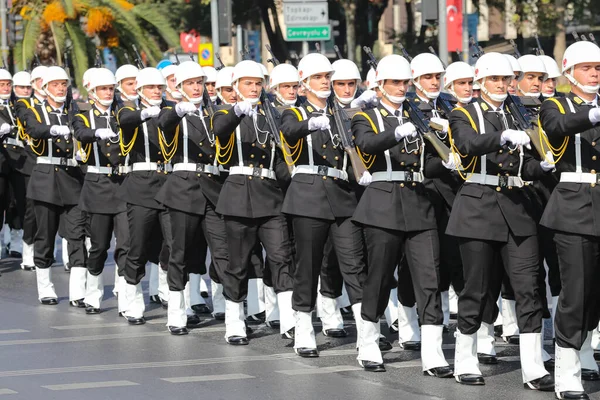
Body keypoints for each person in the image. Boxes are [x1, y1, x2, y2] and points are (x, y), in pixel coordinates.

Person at [448, 52, 553, 390]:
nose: (502, 85)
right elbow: (466, 143)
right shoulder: (463, 112)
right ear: (481, 82)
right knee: (476, 288)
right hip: (478, 207)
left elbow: (525, 165)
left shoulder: (518, 112)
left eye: (506, 80)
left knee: (529, 289)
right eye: (495, 79)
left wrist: (546, 166)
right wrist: (501, 138)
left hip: (517, 207)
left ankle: (534, 367)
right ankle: (465, 360)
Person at [351, 54, 453, 376]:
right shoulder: (365, 116)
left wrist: (448, 159)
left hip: (419, 205)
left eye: (405, 82)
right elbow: (366, 145)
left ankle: (433, 353)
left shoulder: (418, 114)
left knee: (430, 278)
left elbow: (424, 163)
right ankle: (368, 341)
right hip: (382, 204)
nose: (400, 87)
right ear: (380, 85)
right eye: (394, 82)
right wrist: (396, 133)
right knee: (380, 278)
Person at [279, 53, 367, 358]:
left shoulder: (344, 113)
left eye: (327, 76)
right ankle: (304, 327)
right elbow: (289, 131)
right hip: (308, 195)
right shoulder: (294, 112)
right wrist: (310, 124)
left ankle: (366, 333)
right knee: (308, 264)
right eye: (319, 77)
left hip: (342, 194)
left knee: (354, 264)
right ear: (304, 83)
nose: (325, 82)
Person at [212, 60, 295, 346]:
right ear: (236, 86)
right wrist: (236, 111)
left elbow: (284, 155)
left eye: (258, 83)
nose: (254, 88)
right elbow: (220, 129)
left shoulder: (274, 114)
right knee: (238, 264)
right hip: (238, 196)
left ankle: (289, 320)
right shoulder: (225, 111)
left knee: (281, 257)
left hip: (271, 196)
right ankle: (234, 322)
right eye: (248, 83)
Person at [538, 40, 600, 400]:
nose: (594, 73)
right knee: (575, 293)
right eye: (587, 67)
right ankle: (567, 371)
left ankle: (587, 352)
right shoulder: (555, 103)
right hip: (573, 207)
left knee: (595, 294)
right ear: (569, 71)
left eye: (598, 68)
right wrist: (590, 115)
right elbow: (558, 127)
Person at [156, 61, 226, 335]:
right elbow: (164, 123)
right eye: (190, 83)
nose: (197, 88)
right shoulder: (174, 111)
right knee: (180, 252)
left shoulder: (212, 112)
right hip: (183, 188)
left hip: (212, 188)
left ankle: (229, 313)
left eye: (199, 82)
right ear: (179, 87)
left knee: (223, 253)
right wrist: (177, 109)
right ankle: (176, 312)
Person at [21, 66, 87, 306]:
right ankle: (45, 287)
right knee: (46, 235)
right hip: (46, 178)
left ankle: (78, 291)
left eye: (64, 84)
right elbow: (33, 129)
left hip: (72, 178)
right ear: (45, 88)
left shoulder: (74, 112)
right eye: (56, 84)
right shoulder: (35, 111)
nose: (60, 88)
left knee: (77, 235)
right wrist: (52, 129)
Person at [117, 67, 172, 325]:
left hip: (169, 185)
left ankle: (169, 295)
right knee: (137, 246)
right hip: (141, 185)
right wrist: (144, 114)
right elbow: (125, 122)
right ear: (139, 91)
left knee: (171, 245)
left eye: (159, 88)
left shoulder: (171, 109)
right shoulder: (129, 110)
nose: (156, 92)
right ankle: (133, 298)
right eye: (151, 88)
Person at [72, 68, 129, 315]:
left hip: (123, 187)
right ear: (92, 92)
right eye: (103, 89)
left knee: (127, 244)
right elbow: (80, 133)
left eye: (110, 88)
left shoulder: (122, 113)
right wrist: (96, 133)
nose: (108, 93)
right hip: (97, 185)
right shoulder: (83, 116)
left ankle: (127, 297)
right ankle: (93, 293)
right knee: (98, 246)